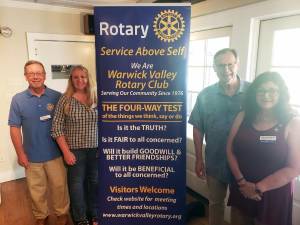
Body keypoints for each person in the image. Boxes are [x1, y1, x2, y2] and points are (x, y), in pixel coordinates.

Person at [226, 71, 300, 225]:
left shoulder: (292, 123)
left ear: (281, 94)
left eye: (272, 90)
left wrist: (258, 188)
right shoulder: (243, 116)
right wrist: (242, 183)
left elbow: (294, 168)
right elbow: (230, 150)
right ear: (254, 93)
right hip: (242, 189)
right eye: (261, 90)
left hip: (274, 195)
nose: (266, 95)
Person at [188, 48, 250, 225]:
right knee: (215, 203)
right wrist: (199, 158)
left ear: (237, 65)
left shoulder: (253, 92)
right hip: (215, 161)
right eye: (221, 65)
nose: (226, 69)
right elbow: (198, 128)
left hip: (245, 164)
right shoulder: (205, 96)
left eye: (230, 64)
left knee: (242, 207)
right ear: (214, 68)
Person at [8, 60, 70, 225]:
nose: (35, 76)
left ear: (44, 75)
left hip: (55, 154)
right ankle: (41, 216)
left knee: (59, 188)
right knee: (36, 191)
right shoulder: (18, 100)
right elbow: (14, 128)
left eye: (38, 73)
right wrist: (21, 154)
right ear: (26, 77)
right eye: (31, 73)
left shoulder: (57, 97)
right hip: (32, 157)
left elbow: (68, 124)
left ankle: (62, 214)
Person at [51, 65, 98, 225]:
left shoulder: (96, 97)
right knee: (76, 185)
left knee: (95, 182)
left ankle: (95, 214)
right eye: (76, 77)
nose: (80, 80)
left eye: (83, 76)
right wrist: (66, 152)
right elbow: (56, 128)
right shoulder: (65, 99)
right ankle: (80, 218)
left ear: (88, 78)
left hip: (96, 150)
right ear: (71, 79)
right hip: (75, 151)